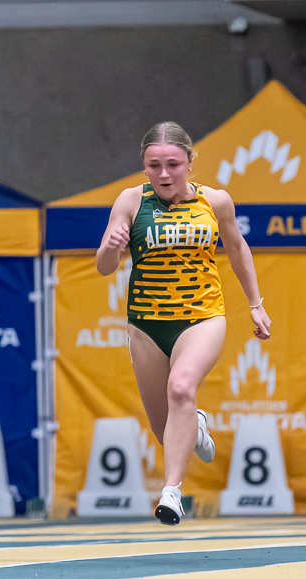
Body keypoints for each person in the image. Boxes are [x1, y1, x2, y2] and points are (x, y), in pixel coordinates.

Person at [96, 121, 271, 525]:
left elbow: (237, 248)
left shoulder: (216, 201)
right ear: (144, 166)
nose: (163, 174)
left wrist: (255, 304)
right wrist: (111, 247)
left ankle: (172, 493)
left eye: (173, 165)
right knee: (164, 431)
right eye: (154, 166)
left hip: (201, 317)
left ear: (190, 162)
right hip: (147, 325)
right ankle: (196, 424)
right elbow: (104, 267)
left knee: (181, 386)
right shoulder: (130, 200)